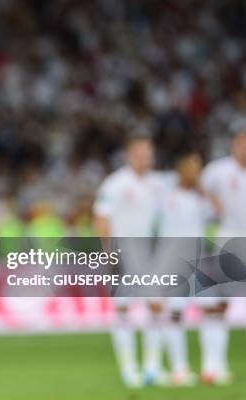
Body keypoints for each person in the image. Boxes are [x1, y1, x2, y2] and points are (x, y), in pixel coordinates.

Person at [93, 137, 163, 387]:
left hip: (148, 252)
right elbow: (101, 219)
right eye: (141, 153)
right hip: (121, 251)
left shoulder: (157, 184)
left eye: (149, 153)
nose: (146, 158)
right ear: (130, 155)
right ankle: (129, 369)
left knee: (155, 306)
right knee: (123, 309)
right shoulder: (115, 184)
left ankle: (152, 368)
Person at [155, 151, 212, 386]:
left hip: (201, 260)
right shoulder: (165, 194)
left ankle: (213, 367)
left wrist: (203, 190)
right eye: (192, 167)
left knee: (212, 312)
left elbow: (218, 210)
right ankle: (179, 369)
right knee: (174, 314)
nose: (197, 172)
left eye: (199, 168)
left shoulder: (202, 199)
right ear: (181, 170)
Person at [196, 124, 246, 385]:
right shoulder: (219, 171)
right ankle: (212, 366)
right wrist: (210, 201)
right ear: (233, 145)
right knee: (217, 306)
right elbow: (195, 185)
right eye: (241, 142)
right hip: (227, 245)